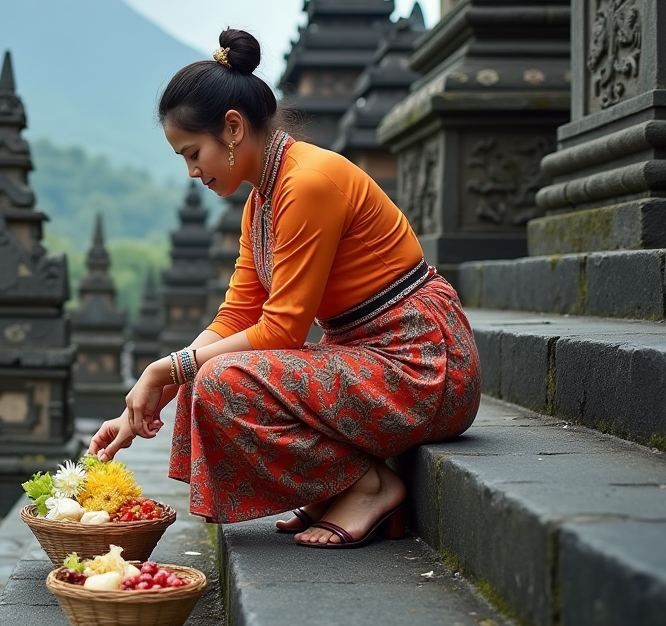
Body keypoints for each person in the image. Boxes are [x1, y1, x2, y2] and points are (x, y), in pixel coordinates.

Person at [88, 28, 480, 548]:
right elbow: (236, 317)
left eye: (192, 152)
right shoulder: (262, 202)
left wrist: (166, 367)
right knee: (204, 378)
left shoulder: (308, 182)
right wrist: (150, 396)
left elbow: (282, 329)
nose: (191, 172)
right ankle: (329, 494)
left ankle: (369, 487)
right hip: (371, 360)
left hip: (425, 365)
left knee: (222, 380)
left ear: (232, 128)